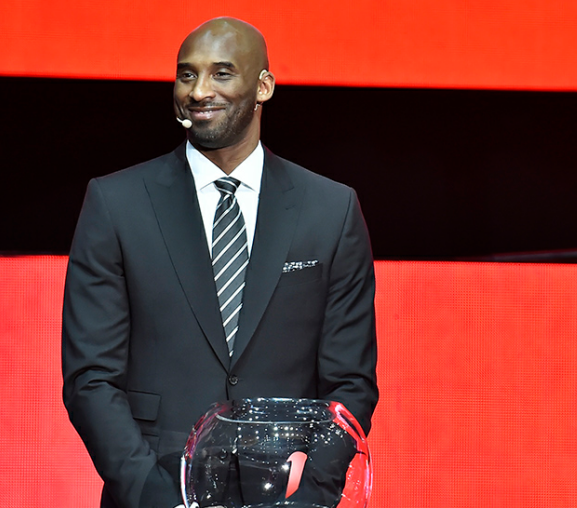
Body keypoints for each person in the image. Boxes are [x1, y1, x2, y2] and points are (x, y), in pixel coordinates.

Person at [61, 17, 378, 508]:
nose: (198, 91)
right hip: (154, 493)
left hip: (286, 496)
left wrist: (311, 494)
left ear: (263, 87)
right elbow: (91, 378)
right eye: (186, 75)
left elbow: (351, 383)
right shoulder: (116, 203)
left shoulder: (330, 210)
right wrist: (153, 493)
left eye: (221, 73)